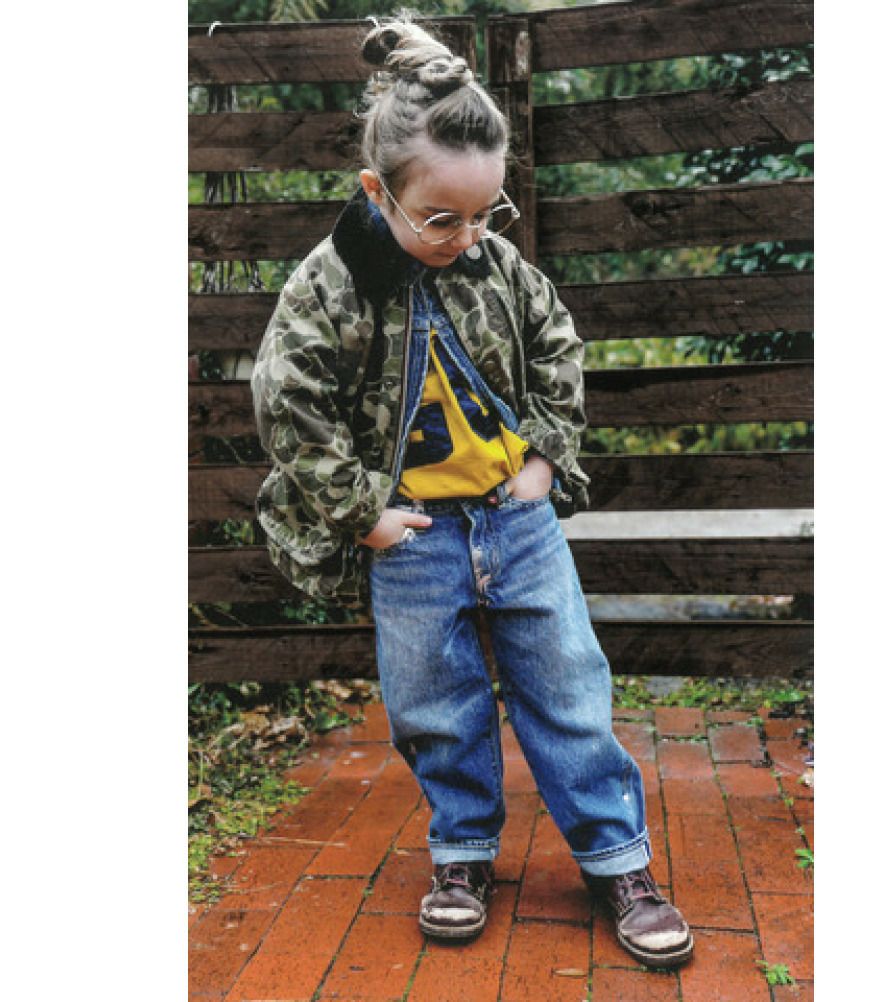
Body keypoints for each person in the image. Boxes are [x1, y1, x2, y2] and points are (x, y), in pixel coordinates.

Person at [250, 12, 694, 970]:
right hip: (414, 539)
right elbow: (288, 401)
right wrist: (360, 513)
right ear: (378, 190)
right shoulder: (327, 286)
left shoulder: (496, 262)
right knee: (436, 706)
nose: (468, 237)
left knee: (569, 690)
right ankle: (460, 854)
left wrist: (547, 460)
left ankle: (617, 861)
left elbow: (557, 344)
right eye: (442, 219)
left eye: (486, 213)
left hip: (515, 520)